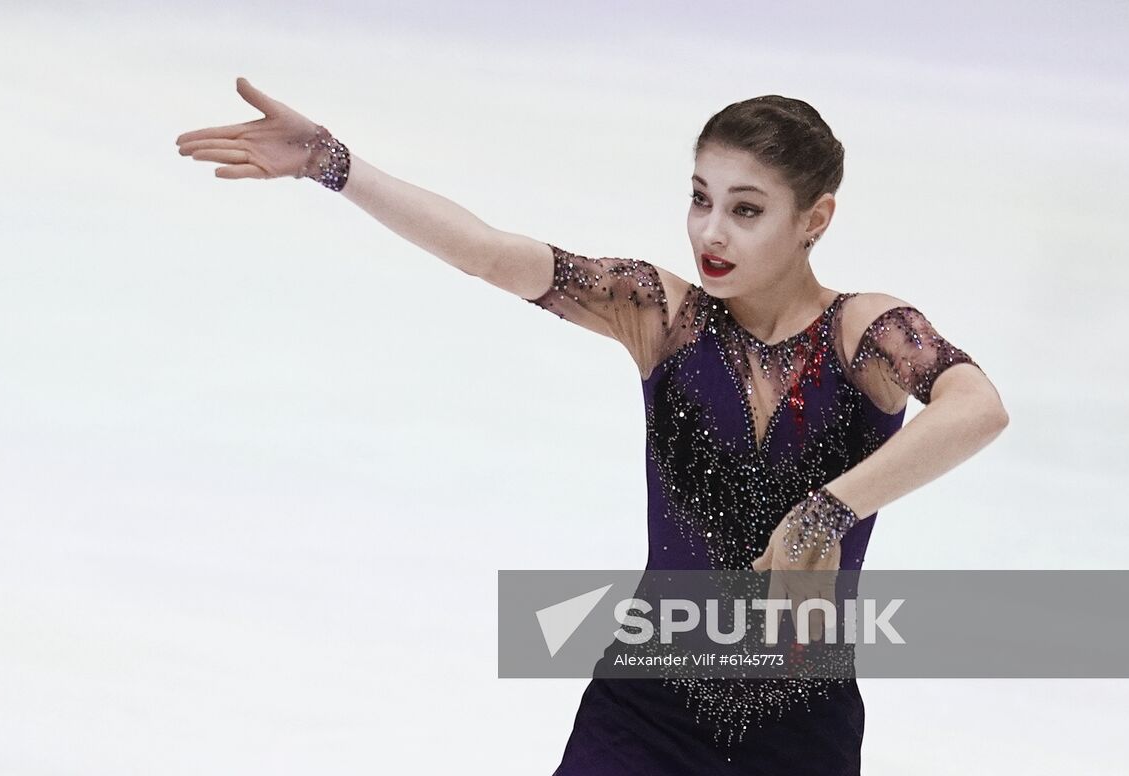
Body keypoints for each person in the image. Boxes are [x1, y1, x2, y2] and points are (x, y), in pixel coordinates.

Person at [175, 77, 1010, 775]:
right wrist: (332, 163)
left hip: (801, 722)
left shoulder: (865, 332)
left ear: (814, 220)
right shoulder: (662, 314)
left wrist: (823, 511)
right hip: (643, 709)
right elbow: (488, 253)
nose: (711, 232)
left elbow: (978, 408)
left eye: (746, 210)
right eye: (700, 198)